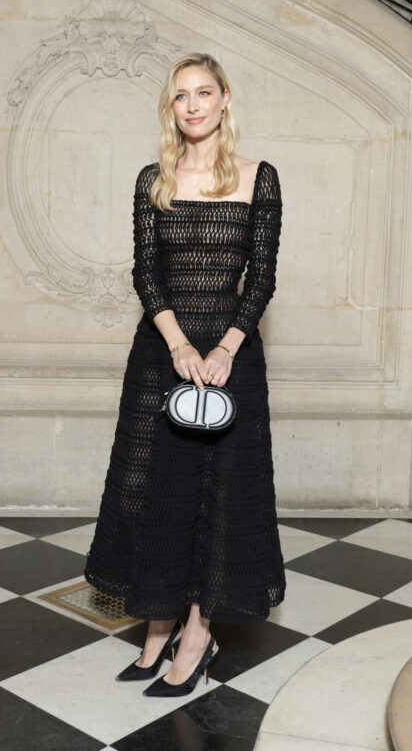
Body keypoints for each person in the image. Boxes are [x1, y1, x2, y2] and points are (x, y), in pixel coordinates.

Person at [83, 51, 286, 697]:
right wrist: (177, 348)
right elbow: (146, 274)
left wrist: (224, 349)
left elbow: (262, 278)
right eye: (180, 95)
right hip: (161, 355)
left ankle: (198, 636)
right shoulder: (155, 179)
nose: (192, 105)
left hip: (231, 358)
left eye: (203, 92)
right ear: (170, 108)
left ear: (225, 99)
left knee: (215, 497)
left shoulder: (258, 178)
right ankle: (159, 626)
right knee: (155, 492)